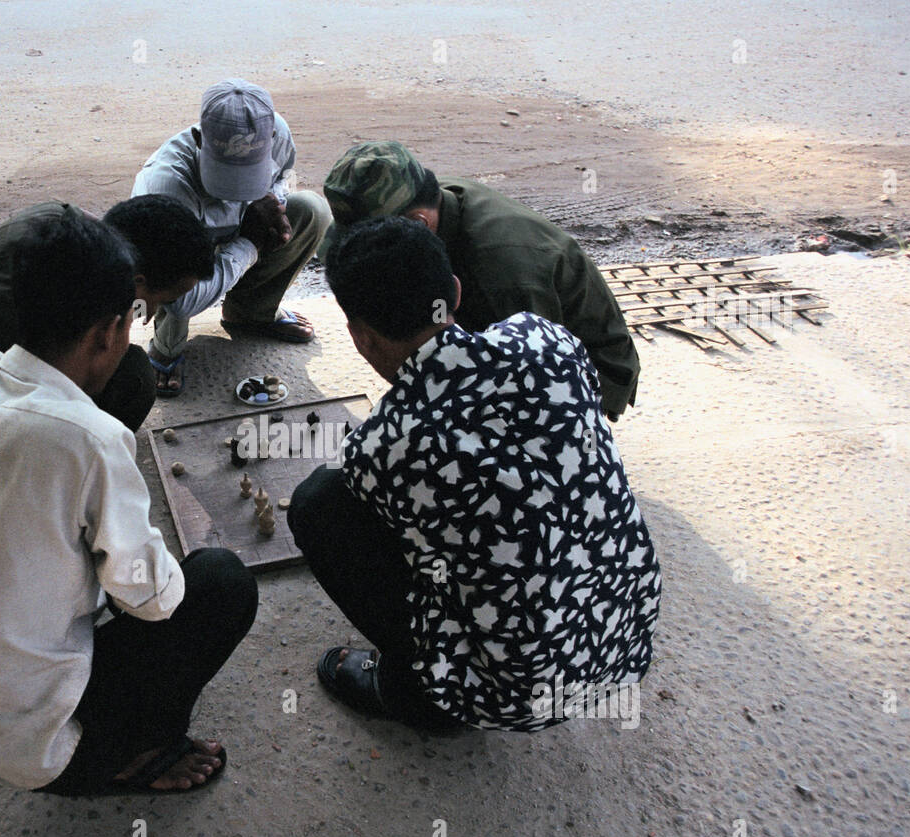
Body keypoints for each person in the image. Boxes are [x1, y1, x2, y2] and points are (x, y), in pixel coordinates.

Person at [0, 209, 258, 795]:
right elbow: (152, 599)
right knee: (221, 582)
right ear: (110, 332)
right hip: (42, 754)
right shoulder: (89, 439)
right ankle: (137, 751)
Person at [288, 217, 661, 732]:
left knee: (319, 504)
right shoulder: (545, 337)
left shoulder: (383, 446)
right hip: (627, 633)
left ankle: (419, 696)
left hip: (515, 696)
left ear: (361, 338)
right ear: (455, 292)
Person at [321, 141, 641, 421]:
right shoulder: (432, 200)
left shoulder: (500, 276)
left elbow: (532, 374)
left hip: (591, 370)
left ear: (420, 222)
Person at [0, 195, 212, 437]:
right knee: (133, 377)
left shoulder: (60, 223)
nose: (151, 314)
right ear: (138, 281)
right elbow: (72, 376)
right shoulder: (67, 296)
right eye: (162, 301)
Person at [132, 78, 331, 396]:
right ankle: (167, 346)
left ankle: (252, 312)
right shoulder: (166, 184)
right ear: (198, 139)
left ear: (271, 138)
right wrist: (249, 244)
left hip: (241, 229)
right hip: (187, 250)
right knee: (171, 272)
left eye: (248, 172)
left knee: (311, 210)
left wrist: (273, 205)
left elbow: (282, 178)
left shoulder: (278, 133)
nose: (235, 191)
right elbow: (181, 299)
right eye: (226, 173)